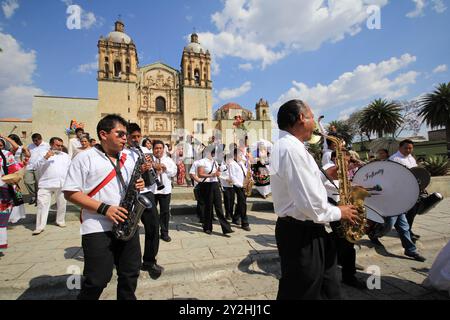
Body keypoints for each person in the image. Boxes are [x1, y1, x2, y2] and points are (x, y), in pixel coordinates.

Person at [270, 100, 359, 300]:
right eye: (312, 117)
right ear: (302, 118)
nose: (314, 125)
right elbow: (310, 205)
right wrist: (340, 212)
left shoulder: (291, 147)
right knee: (303, 292)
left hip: (307, 230)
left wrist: (332, 172)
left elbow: (307, 182)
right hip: (302, 233)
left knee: (328, 288)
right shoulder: (291, 150)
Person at [63, 114, 145, 300]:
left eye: (126, 135)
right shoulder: (85, 158)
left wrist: (139, 183)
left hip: (127, 224)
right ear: (103, 134)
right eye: (120, 134)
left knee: (130, 273)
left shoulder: (130, 158)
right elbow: (70, 192)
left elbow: (130, 183)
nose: (126, 138)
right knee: (98, 279)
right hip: (97, 225)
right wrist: (105, 209)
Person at [368, 140, 427, 262]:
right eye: (406, 148)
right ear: (400, 148)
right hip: (393, 196)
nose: (409, 150)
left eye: (411, 148)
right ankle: (374, 234)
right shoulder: (394, 160)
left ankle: (410, 250)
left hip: (404, 196)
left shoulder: (411, 158)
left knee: (403, 226)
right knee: (389, 225)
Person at [323, 150, 366, 289]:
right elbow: (331, 185)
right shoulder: (326, 169)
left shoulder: (346, 171)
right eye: (345, 160)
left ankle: (346, 268)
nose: (347, 163)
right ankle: (347, 274)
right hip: (333, 207)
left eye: (348, 160)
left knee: (346, 241)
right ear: (336, 158)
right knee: (344, 240)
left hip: (346, 207)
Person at [126, 123, 163, 279]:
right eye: (132, 137)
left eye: (138, 136)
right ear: (126, 136)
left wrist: (152, 166)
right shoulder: (123, 153)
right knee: (129, 229)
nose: (136, 139)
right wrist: (139, 170)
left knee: (154, 227)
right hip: (129, 194)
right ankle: (127, 262)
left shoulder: (144, 150)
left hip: (146, 193)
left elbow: (151, 171)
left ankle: (149, 260)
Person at [32, 137, 71, 235]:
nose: (60, 147)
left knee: (62, 204)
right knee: (42, 205)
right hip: (46, 184)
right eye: (58, 145)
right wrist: (45, 157)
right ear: (51, 144)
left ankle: (60, 220)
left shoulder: (65, 156)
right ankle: (40, 226)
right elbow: (35, 166)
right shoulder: (42, 153)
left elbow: (70, 168)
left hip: (62, 184)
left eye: (61, 145)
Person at [197, 145, 234, 235]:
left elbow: (218, 173)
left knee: (219, 207)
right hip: (206, 185)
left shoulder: (215, 162)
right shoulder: (201, 162)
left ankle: (226, 228)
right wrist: (212, 175)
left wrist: (226, 178)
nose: (213, 154)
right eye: (212, 152)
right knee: (208, 207)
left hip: (215, 184)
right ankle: (207, 227)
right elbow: (200, 174)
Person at [151, 140, 177, 242]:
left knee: (165, 212)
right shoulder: (149, 160)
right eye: (156, 148)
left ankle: (164, 232)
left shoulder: (168, 160)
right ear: (153, 149)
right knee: (152, 213)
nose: (158, 150)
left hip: (165, 190)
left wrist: (166, 169)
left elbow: (174, 172)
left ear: (163, 149)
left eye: (160, 148)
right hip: (153, 190)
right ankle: (153, 232)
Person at [0, 139, 22, 254]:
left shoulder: (6, 155)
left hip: (4, 192)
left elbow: (15, 172)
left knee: (1, 220)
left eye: (1, 145)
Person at [229, 149, 251, 231]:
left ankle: (235, 217)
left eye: (241, 155)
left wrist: (248, 180)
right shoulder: (231, 164)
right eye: (239, 155)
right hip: (238, 185)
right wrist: (241, 185)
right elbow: (232, 176)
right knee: (243, 203)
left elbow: (245, 172)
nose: (241, 157)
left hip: (244, 185)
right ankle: (244, 223)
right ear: (234, 156)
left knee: (241, 202)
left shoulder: (241, 163)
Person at [25, 133, 50, 205]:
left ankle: (38, 199)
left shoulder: (47, 145)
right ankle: (33, 196)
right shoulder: (30, 146)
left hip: (40, 167)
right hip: (30, 166)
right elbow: (27, 155)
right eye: (33, 141)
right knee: (27, 181)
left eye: (36, 141)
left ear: (40, 139)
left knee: (38, 183)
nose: (35, 142)